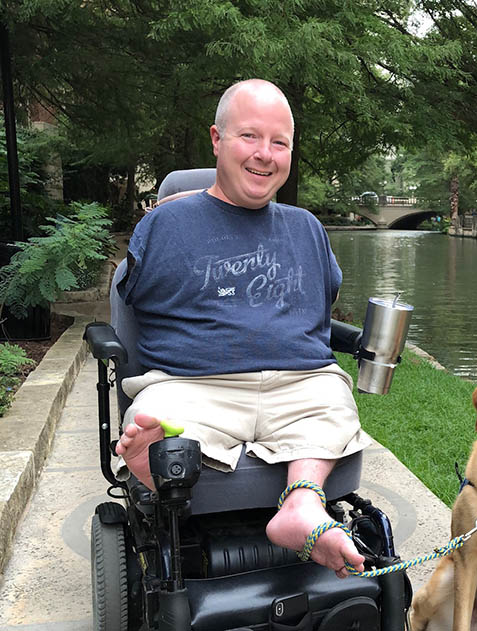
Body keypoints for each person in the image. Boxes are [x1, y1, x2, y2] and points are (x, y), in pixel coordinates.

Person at [113, 79, 368, 578]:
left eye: (280, 143)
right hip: (194, 385)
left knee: (335, 404)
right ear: (217, 140)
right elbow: (130, 302)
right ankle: (153, 457)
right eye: (249, 137)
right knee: (156, 412)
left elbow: (324, 302)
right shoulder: (167, 224)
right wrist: (182, 207)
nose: (265, 155)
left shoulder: (307, 228)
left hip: (300, 384)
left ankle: (301, 504)